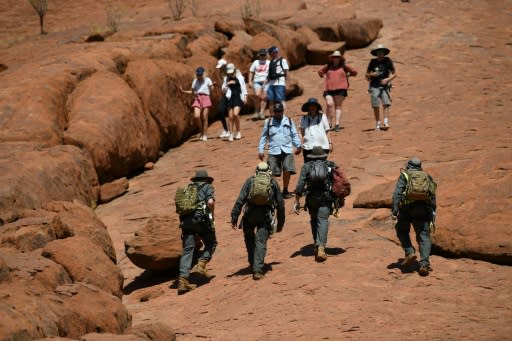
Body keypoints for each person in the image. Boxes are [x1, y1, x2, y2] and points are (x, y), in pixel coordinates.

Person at [231, 162, 285, 280]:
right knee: (260, 241)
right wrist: (280, 223)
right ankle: (258, 270)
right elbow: (280, 205)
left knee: (249, 238)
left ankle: (252, 262)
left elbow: (240, 200)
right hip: (265, 216)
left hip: (249, 214)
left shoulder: (250, 181)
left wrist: (234, 217)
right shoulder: (273, 182)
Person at [391, 157, 437, 276]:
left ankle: (409, 252)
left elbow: (397, 193)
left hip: (406, 208)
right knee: (423, 235)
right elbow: (432, 195)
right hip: (422, 209)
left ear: (409, 165)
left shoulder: (405, 175)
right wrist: (432, 213)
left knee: (401, 230)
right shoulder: (426, 176)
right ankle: (424, 264)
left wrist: (395, 211)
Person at [176, 169, 217, 294]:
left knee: (188, 250)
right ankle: (201, 264)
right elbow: (210, 202)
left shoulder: (187, 189)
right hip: (201, 220)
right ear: (206, 179)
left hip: (186, 222)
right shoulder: (207, 187)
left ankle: (182, 281)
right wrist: (212, 215)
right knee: (211, 243)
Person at [294, 146, 337, 262]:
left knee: (314, 220)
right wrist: (338, 200)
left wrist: (297, 201)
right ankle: (321, 247)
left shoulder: (307, 166)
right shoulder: (331, 165)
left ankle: (316, 244)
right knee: (322, 220)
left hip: (311, 198)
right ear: (324, 156)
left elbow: (299, 186)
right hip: (326, 197)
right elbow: (338, 183)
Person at [258, 101, 302, 199]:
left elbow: (294, 134)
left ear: (283, 111)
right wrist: (261, 150)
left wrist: (298, 145)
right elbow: (264, 136)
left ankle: (285, 190)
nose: (278, 113)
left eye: (280, 111)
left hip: (287, 150)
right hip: (273, 150)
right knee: (271, 172)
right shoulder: (268, 122)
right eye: (276, 112)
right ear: (274, 112)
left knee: (287, 169)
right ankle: (274, 191)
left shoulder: (289, 121)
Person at [317, 50, 358, 131]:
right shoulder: (328, 66)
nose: (335, 59)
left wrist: (347, 76)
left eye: (337, 57)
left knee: (338, 106)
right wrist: (325, 77)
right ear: (332, 58)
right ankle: (328, 123)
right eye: (334, 57)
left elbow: (354, 72)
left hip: (341, 88)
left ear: (340, 58)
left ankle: (337, 124)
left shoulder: (344, 66)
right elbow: (320, 72)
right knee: (329, 104)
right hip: (329, 88)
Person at [365, 44, 397, 131]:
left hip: (385, 86)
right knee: (375, 104)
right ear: (376, 53)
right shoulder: (373, 62)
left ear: (384, 53)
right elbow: (366, 75)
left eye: (382, 52)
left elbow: (395, 73)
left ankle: (386, 121)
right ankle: (377, 123)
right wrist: (372, 74)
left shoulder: (388, 61)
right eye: (378, 52)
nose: (380, 53)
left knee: (386, 103)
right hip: (374, 85)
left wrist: (388, 79)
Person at [180, 67, 214, 141]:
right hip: (198, 98)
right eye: (198, 75)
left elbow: (212, 88)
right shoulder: (195, 81)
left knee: (205, 117)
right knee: (196, 116)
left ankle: (205, 134)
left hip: (206, 98)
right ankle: (201, 131)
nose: (199, 76)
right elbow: (192, 92)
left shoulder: (208, 80)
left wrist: (212, 87)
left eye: (201, 74)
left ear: (203, 74)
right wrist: (183, 91)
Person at [299, 98, 332, 163]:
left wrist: (330, 143)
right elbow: (301, 133)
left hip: (322, 147)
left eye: (314, 106)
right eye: (310, 106)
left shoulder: (323, 116)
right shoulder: (304, 118)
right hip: (308, 147)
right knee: (308, 167)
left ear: (317, 107)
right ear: (308, 108)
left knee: (321, 167)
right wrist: (299, 144)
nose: (312, 107)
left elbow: (327, 131)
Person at [222, 63, 248, 141]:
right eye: (228, 73)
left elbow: (243, 88)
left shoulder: (240, 77)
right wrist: (227, 84)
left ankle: (238, 131)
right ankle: (231, 133)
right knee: (230, 117)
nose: (230, 74)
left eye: (231, 72)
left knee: (236, 114)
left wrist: (245, 96)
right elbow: (223, 89)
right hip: (230, 98)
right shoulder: (226, 78)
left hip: (237, 97)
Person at [266, 46, 289, 116]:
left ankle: (284, 115)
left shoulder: (282, 60)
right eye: (274, 52)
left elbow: (287, 71)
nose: (276, 53)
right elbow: (269, 75)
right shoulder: (271, 62)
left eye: (276, 51)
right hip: (271, 84)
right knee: (271, 101)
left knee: (281, 100)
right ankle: (272, 116)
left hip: (280, 83)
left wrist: (287, 83)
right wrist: (265, 84)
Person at [249, 49, 270, 120]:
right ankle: (256, 111)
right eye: (261, 55)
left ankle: (261, 112)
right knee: (257, 95)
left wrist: (268, 80)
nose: (262, 57)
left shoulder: (269, 62)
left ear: (266, 55)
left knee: (264, 97)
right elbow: (251, 71)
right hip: (257, 81)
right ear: (259, 55)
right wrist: (249, 81)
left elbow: (271, 72)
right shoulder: (255, 62)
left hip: (266, 81)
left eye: (264, 55)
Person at [215, 58, 230, 139]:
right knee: (220, 110)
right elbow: (223, 86)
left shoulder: (230, 72)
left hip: (231, 94)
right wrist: (217, 85)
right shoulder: (222, 73)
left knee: (231, 113)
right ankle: (226, 129)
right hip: (225, 95)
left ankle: (231, 130)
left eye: (221, 67)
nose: (220, 68)